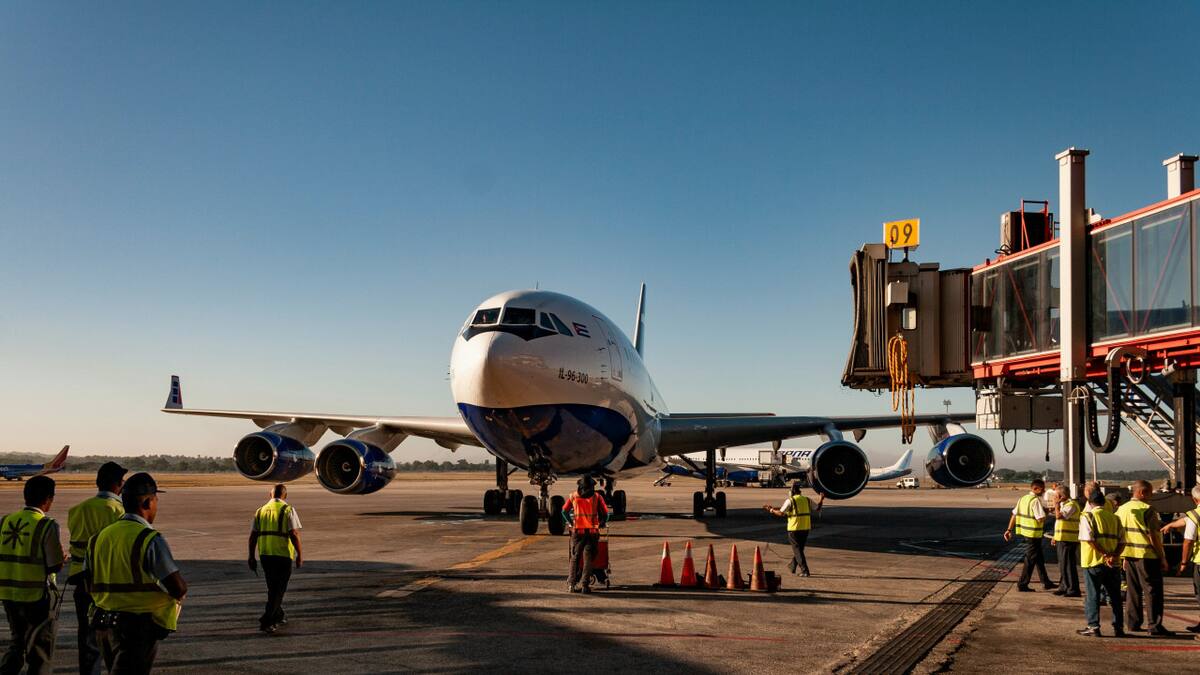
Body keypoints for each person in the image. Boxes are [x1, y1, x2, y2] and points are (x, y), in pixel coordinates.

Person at [86, 472, 188, 672]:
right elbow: (177, 587)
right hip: (136, 627)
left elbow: (88, 582)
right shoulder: (149, 539)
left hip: (104, 624)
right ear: (148, 503)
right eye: (156, 500)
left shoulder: (98, 538)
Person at [0, 475, 65, 675]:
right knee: (40, 652)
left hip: (9, 594)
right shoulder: (47, 525)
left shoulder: (5, 521)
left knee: (17, 643)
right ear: (48, 499)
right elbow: (54, 566)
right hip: (37, 597)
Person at [67, 461, 126, 675]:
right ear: (119, 484)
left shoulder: (77, 510)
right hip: (108, 585)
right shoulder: (119, 511)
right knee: (115, 640)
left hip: (81, 582)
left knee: (88, 639)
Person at [1116, 479, 1172, 636]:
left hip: (1129, 555)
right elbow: (1153, 535)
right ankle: (1154, 625)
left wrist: (1124, 556)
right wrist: (1162, 557)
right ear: (1142, 492)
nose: (1152, 495)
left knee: (1133, 591)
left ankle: (1133, 623)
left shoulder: (1122, 509)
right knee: (1152, 591)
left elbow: (1120, 533)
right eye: (1150, 492)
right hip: (1147, 556)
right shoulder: (1147, 509)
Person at [248, 484, 302, 633]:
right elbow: (294, 534)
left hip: (265, 555)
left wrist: (251, 556)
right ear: (285, 496)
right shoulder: (288, 510)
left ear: (269, 495)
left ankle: (278, 614)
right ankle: (267, 620)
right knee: (279, 589)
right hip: (282, 555)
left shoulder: (260, 511)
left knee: (273, 588)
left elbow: (253, 536)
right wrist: (299, 555)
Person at [1077, 489, 1125, 637]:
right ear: (1104, 503)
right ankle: (1118, 627)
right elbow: (1122, 541)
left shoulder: (1088, 516)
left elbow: (1088, 539)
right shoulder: (1115, 518)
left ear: (1090, 503)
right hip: (1113, 563)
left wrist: (1104, 554)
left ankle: (1093, 626)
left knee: (1093, 595)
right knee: (1115, 596)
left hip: (1093, 562)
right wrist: (1113, 555)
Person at [1159, 485, 1200, 637]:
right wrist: (1172, 524)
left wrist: (1183, 563)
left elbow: (1188, 541)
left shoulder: (1195, 514)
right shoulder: (1194, 516)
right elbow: (1186, 521)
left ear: (1194, 500)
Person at [764, 483, 825, 577]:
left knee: (797, 550)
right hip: (805, 528)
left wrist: (771, 510)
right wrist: (821, 498)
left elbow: (781, 513)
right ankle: (792, 566)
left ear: (792, 492)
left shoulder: (790, 501)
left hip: (794, 529)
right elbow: (817, 508)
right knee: (799, 549)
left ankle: (805, 571)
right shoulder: (807, 499)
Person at [1004, 478, 1055, 591]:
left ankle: (1046, 581)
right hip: (1034, 534)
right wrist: (1047, 512)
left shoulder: (1022, 498)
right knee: (1030, 559)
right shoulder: (1035, 501)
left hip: (1026, 533)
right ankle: (1022, 584)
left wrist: (1009, 530)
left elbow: (1014, 515)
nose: (1044, 491)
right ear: (1035, 488)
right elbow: (1040, 518)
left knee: (1039, 558)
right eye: (1042, 489)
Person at [562, 476, 608, 594]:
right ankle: (585, 585)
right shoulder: (597, 497)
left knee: (575, 558)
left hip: (577, 532)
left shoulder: (573, 496)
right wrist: (602, 523)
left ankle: (571, 584)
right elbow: (606, 513)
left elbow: (564, 511)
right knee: (588, 560)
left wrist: (571, 522)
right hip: (592, 533)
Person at [1051, 485, 1082, 597]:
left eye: (1055, 495)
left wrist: (1056, 505)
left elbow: (1059, 517)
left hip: (1069, 539)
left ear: (1061, 496)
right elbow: (1059, 524)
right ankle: (1064, 586)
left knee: (1068, 565)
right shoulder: (1064, 505)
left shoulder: (1071, 505)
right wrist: (1055, 536)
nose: (1053, 497)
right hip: (1062, 538)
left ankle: (1073, 588)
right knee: (1063, 565)